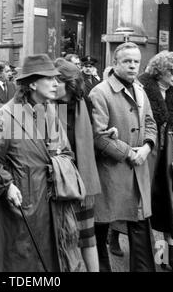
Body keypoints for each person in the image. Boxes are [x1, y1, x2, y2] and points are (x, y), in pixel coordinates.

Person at [0, 54, 86, 272]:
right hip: (20, 204)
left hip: (50, 203)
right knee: (19, 262)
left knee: (49, 261)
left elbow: (66, 151)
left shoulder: (50, 111)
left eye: (56, 78)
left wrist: (58, 163)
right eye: (50, 79)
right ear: (32, 83)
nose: (56, 84)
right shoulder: (5, 115)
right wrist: (7, 185)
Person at [89, 42, 157, 272]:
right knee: (101, 226)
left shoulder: (140, 89)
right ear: (115, 63)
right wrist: (129, 153)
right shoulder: (100, 92)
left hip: (138, 169)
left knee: (139, 224)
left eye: (136, 61)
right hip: (111, 172)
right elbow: (98, 136)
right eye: (127, 61)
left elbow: (150, 123)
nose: (132, 65)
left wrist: (147, 147)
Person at [138, 50, 173, 272]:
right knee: (145, 202)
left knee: (169, 203)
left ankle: (167, 256)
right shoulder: (143, 88)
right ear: (160, 71)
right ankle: (114, 234)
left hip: (168, 153)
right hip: (149, 151)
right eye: (172, 70)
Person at [54, 58, 102, 272]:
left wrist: (105, 133)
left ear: (69, 83)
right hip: (57, 182)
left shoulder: (84, 104)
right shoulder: (44, 105)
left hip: (82, 181)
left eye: (55, 80)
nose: (51, 85)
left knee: (87, 237)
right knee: (62, 238)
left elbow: (94, 134)